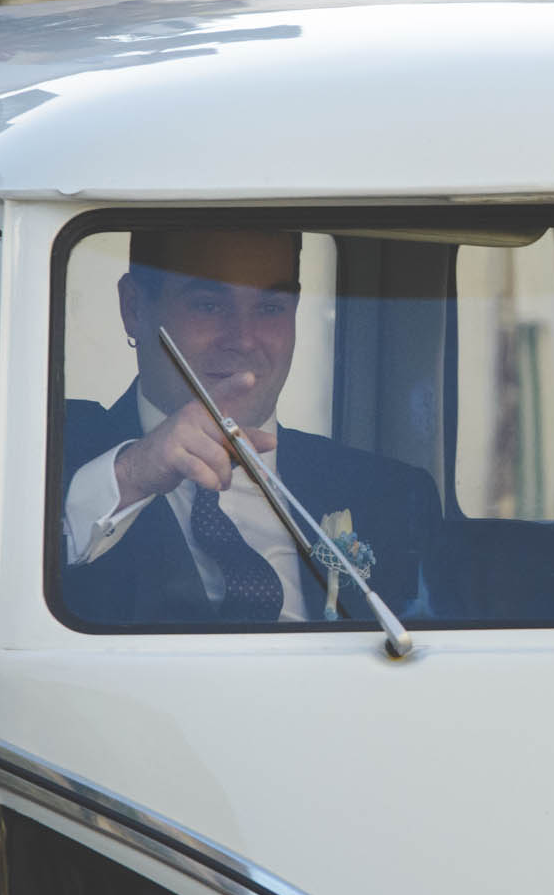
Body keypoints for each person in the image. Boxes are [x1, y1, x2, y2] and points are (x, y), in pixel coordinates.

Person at [60, 225, 437, 626]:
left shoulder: (393, 494)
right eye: (208, 305)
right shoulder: (39, 457)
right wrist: (132, 476)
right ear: (133, 308)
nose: (243, 339)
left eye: (270, 308)